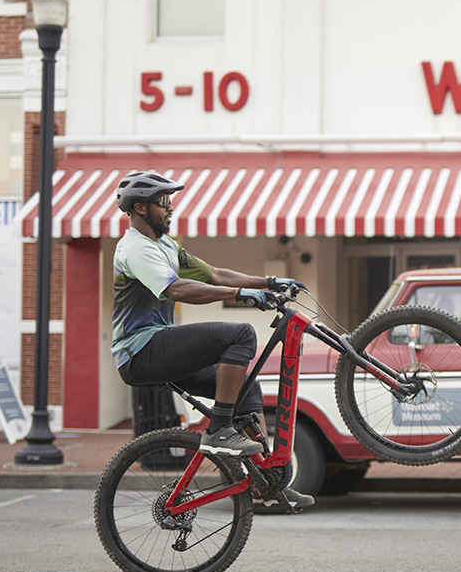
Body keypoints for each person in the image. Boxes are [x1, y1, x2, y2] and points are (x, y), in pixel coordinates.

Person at [110, 170, 313, 511]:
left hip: (157, 346)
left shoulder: (165, 246)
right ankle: (219, 429)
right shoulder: (135, 248)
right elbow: (176, 289)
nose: (170, 208)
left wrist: (267, 282)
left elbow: (215, 274)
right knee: (240, 334)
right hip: (139, 351)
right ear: (141, 208)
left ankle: (266, 481)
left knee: (247, 387)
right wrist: (240, 294)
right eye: (164, 202)